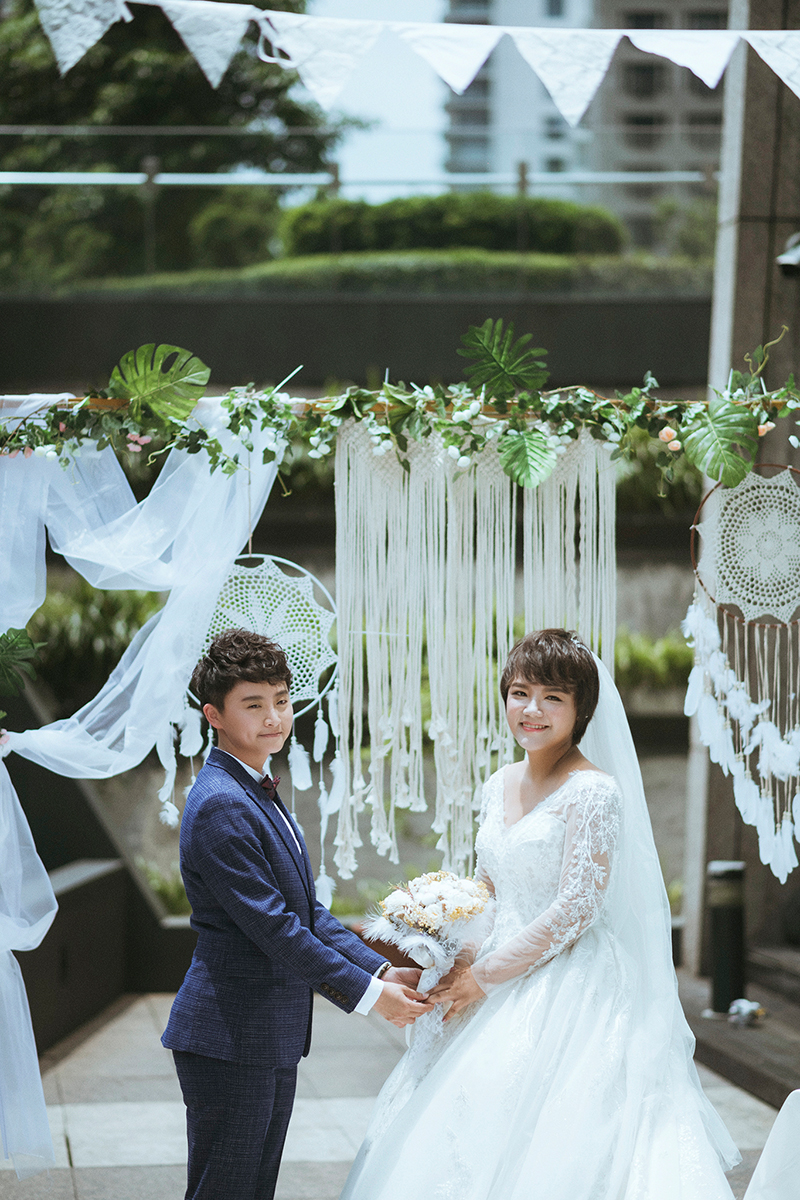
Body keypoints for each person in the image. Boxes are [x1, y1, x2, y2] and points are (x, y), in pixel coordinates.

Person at [340, 629, 741, 1200]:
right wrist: (460, 952)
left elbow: (578, 907)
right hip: (489, 962)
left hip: (569, 979)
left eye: (553, 697)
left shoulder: (593, 792)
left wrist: (485, 977)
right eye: (520, 693)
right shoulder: (498, 783)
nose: (532, 710)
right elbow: (488, 887)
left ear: (581, 711)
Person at [162, 628, 432, 1200]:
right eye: (253, 705)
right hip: (230, 1034)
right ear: (214, 715)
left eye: (281, 701)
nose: (274, 718)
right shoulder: (221, 803)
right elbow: (277, 929)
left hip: (264, 1032)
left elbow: (308, 911)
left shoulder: (254, 786)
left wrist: (382, 969)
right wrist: (370, 996)